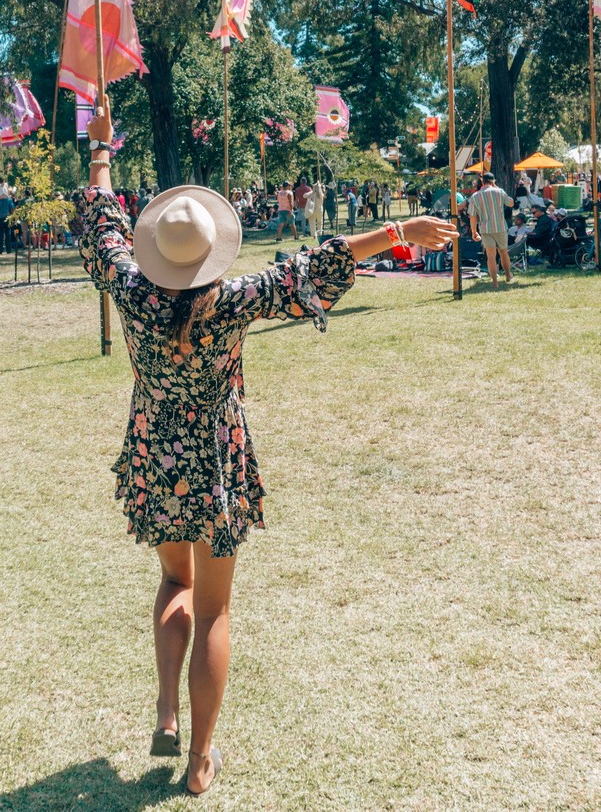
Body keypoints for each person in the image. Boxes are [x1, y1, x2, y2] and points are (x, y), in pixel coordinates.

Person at [78, 99, 456, 798]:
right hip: (218, 457)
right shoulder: (235, 299)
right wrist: (400, 229)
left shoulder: (131, 289)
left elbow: (102, 231)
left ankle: (165, 710)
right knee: (215, 609)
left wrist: (101, 152)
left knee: (174, 584)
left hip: (156, 448)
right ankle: (198, 759)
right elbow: (316, 266)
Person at [467, 171, 515, 290]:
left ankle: (494, 282)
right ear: (493, 181)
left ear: (482, 182)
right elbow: (511, 203)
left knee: (491, 256)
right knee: (504, 253)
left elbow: (472, 216)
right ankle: (508, 274)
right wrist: (497, 188)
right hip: (500, 227)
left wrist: (474, 231)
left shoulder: (475, 196)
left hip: (485, 229)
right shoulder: (499, 192)